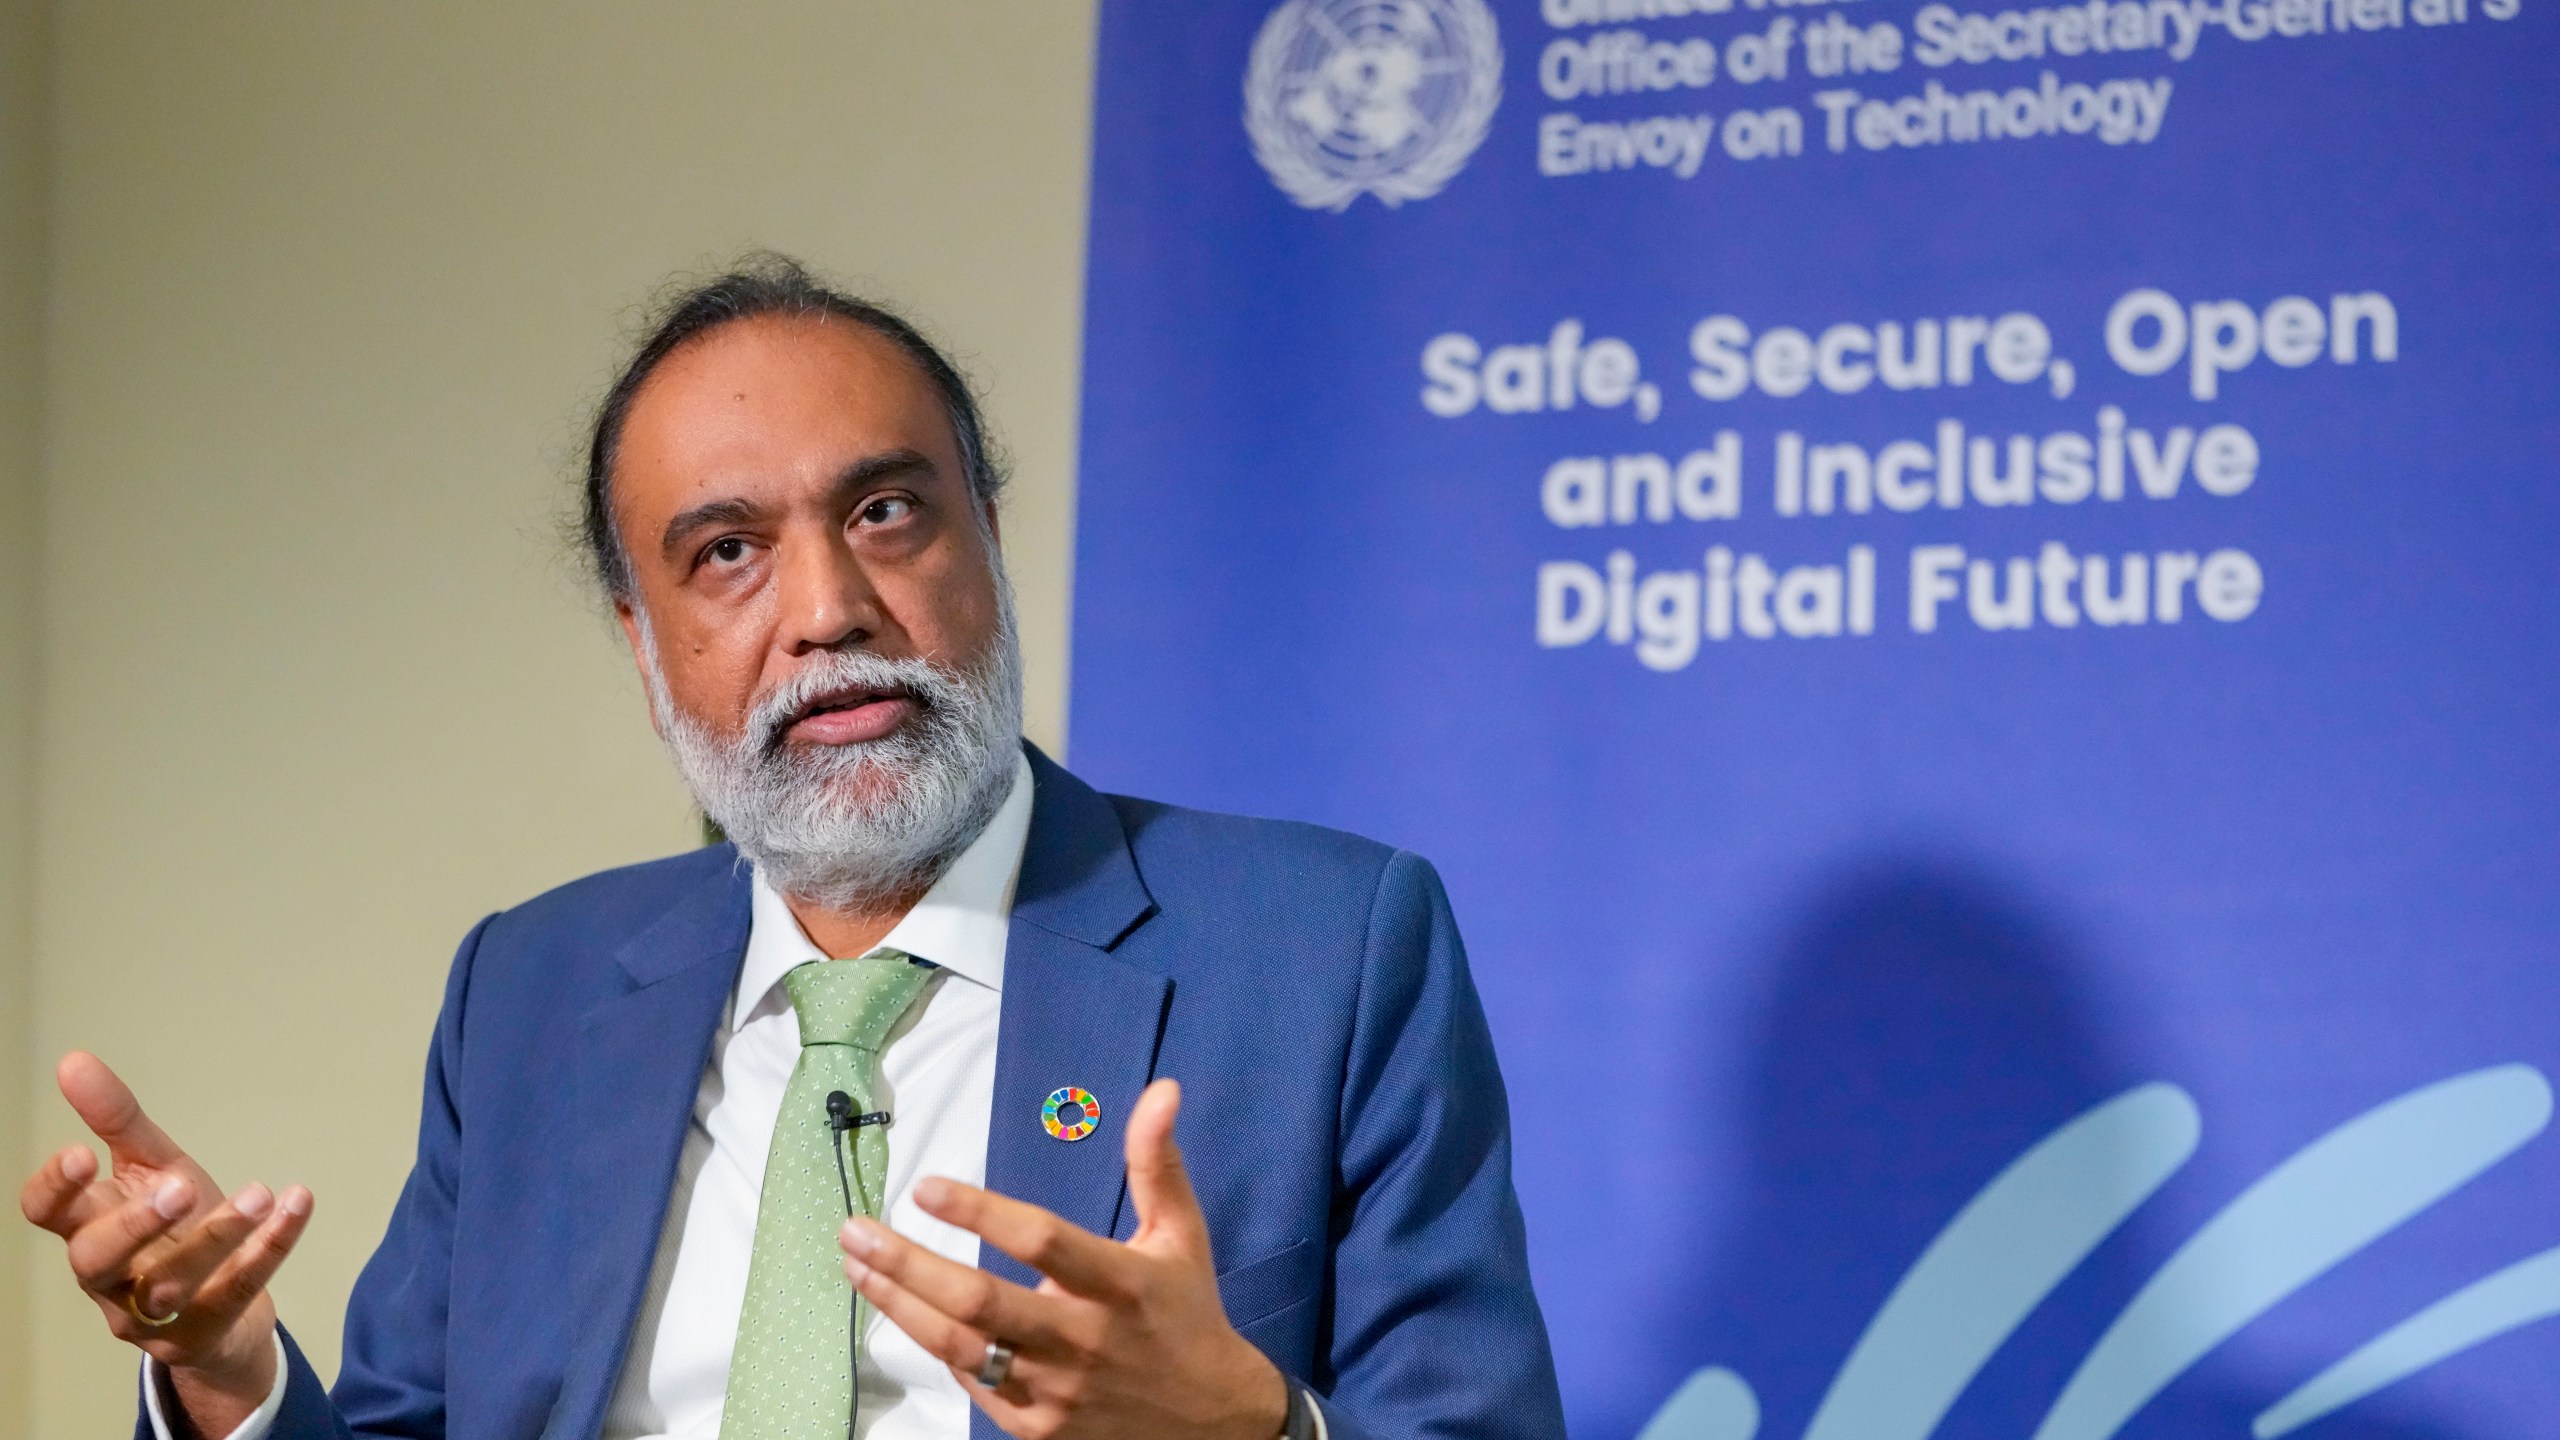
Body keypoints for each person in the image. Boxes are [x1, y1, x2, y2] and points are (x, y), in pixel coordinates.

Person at [19, 254, 1564, 1440]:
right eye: (728, 554)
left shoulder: (1324, 947)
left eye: (888, 512)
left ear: (989, 545)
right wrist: (223, 1379)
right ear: (644, 641)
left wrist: (1250, 1426)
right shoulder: (532, 989)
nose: (825, 610)